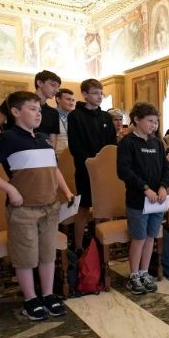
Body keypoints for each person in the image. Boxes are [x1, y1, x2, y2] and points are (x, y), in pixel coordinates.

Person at [0, 91, 73, 321]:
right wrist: (9, 189)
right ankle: (30, 299)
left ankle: (47, 295)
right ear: (16, 112)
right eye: (32, 109)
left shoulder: (44, 139)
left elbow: (54, 168)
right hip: (24, 210)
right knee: (25, 256)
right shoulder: (7, 138)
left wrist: (66, 190)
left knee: (48, 254)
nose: (38, 113)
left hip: (50, 207)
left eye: (39, 109)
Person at [117, 102, 169, 294]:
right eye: (150, 121)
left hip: (158, 201)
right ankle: (134, 275)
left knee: (150, 237)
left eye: (156, 122)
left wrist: (163, 186)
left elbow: (166, 168)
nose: (153, 125)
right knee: (138, 238)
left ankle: (145, 272)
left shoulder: (157, 143)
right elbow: (124, 171)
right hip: (138, 200)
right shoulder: (127, 142)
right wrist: (145, 188)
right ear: (137, 120)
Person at [67, 79, 117, 253]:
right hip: (84, 170)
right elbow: (75, 145)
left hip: (104, 171)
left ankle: (105, 242)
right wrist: (90, 164)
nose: (99, 96)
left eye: (101, 93)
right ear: (85, 94)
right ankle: (79, 246)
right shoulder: (75, 116)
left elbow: (112, 143)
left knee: (105, 207)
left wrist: (106, 163)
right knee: (83, 208)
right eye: (95, 93)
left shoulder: (106, 117)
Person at [0, 70, 61, 148]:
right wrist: (3, 145)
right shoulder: (16, 101)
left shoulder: (53, 113)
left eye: (58, 87)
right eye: (53, 85)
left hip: (41, 152)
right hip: (15, 149)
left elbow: (52, 142)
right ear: (39, 83)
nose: (56, 90)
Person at [54, 88, 75, 153]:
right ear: (58, 99)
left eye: (73, 100)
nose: (71, 103)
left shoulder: (75, 117)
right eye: (68, 99)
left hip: (73, 155)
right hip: (57, 155)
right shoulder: (50, 115)